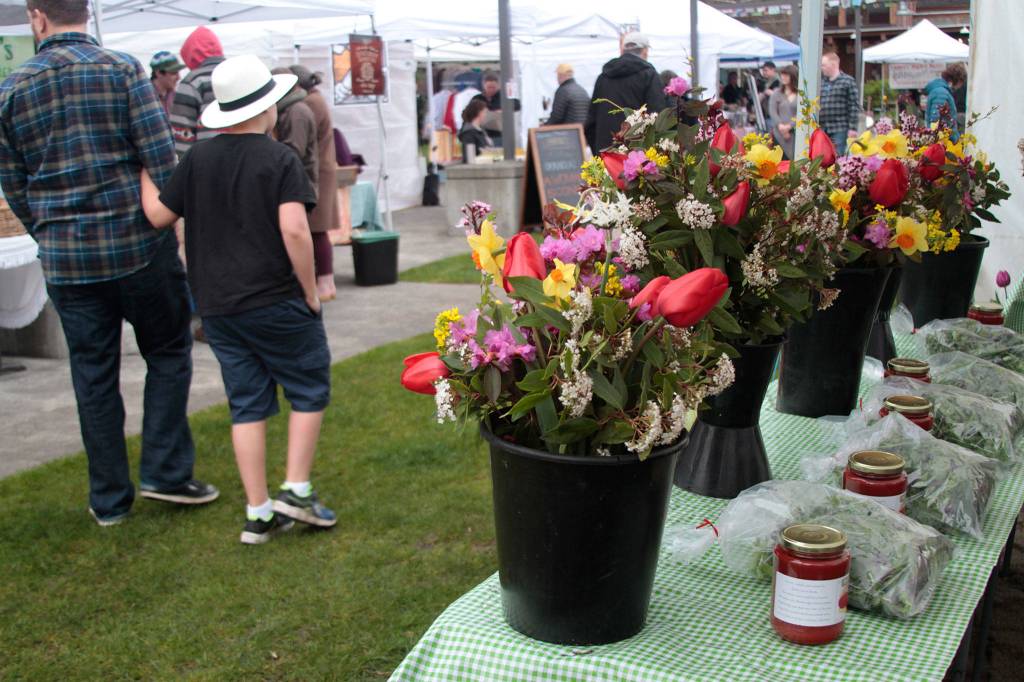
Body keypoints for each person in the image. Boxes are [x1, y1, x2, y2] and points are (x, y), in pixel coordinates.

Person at [0, 0, 218, 526]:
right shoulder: (122, 70)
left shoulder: (13, 88)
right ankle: (165, 473)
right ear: (88, 12)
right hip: (137, 246)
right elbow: (160, 158)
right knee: (167, 352)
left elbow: (15, 183)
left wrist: (48, 233)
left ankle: (109, 499)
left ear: (37, 17)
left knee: (93, 374)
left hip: (69, 260)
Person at [140, 55, 337, 545]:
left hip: (218, 307)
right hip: (276, 298)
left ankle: (258, 512)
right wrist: (311, 292)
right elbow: (295, 229)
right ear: (267, 108)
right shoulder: (279, 159)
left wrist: (142, 168)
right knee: (308, 388)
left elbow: (159, 217)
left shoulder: (197, 160)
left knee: (246, 403)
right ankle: (296, 488)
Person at [290, 65, 339, 301]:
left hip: (318, 172)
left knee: (317, 229)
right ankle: (325, 281)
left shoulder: (309, 104)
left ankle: (325, 282)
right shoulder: (315, 100)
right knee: (318, 229)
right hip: (322, 169)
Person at [585, 32, 667, 154]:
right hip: (637, 156)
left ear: (623, 51)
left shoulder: (603, 77)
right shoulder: (649, 75)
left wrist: (598, 152)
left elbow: (590, 122)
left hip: (606, 152)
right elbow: (658, 117)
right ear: (645, 51)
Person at [170, 26, 225, 158]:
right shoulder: (239, 73)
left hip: (207, 161)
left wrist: (184, 166)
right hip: (244, 158)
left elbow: (183, 131)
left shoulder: (193, 80)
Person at [819, 52, 860, 155]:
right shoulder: (821, 82)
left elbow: (854, 106)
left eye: (823, 65)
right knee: (822, 157)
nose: (821, 68)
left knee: (836, 156)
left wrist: (853, 128)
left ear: (833, 65)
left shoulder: (848, 81)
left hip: (840, 128)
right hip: (822, 127)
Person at [471, 71, 520, 147]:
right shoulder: (477, 98)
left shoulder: (504, 97)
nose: (491, 90)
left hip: (500, 135)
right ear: (484, 86)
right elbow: (470, 112)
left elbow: (517, 105)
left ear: (498, 86)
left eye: (493, 87)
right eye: (488, 87)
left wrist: (504, 110)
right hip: (482, 134)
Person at [925, 62, 966, 138]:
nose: (960, 86)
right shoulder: (941, 93)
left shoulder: (940, 90)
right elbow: (936, 121)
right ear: (958, 79)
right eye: (961, 82)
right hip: (943, 142)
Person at [770, 64, 799, 160]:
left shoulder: (800, 94)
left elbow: (801, 113)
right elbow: (773, 111)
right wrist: (781, 126)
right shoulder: (776, 93)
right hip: (778, 133)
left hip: (795, 133)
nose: (783, 77)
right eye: (782, 75)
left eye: (786, 75)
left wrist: (789, 126)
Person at [149, 51, 185, 116]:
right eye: (174, 73)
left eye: (178, 72)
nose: (179, 77)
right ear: (159, 73)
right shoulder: (145, 97)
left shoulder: (175, 95)